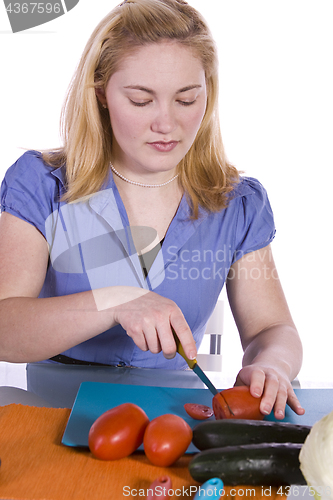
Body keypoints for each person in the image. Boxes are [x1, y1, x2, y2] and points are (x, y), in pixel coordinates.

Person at [0, 0, 304, 419]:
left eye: (186, 99)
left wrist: (273, 364)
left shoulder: (238, 202)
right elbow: (5, 328)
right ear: (101, 93)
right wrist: (116, 301)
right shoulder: (41, 183)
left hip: (174, 416)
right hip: (53, 409)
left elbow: (272, 329)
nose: (167, 124)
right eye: (142, 100)